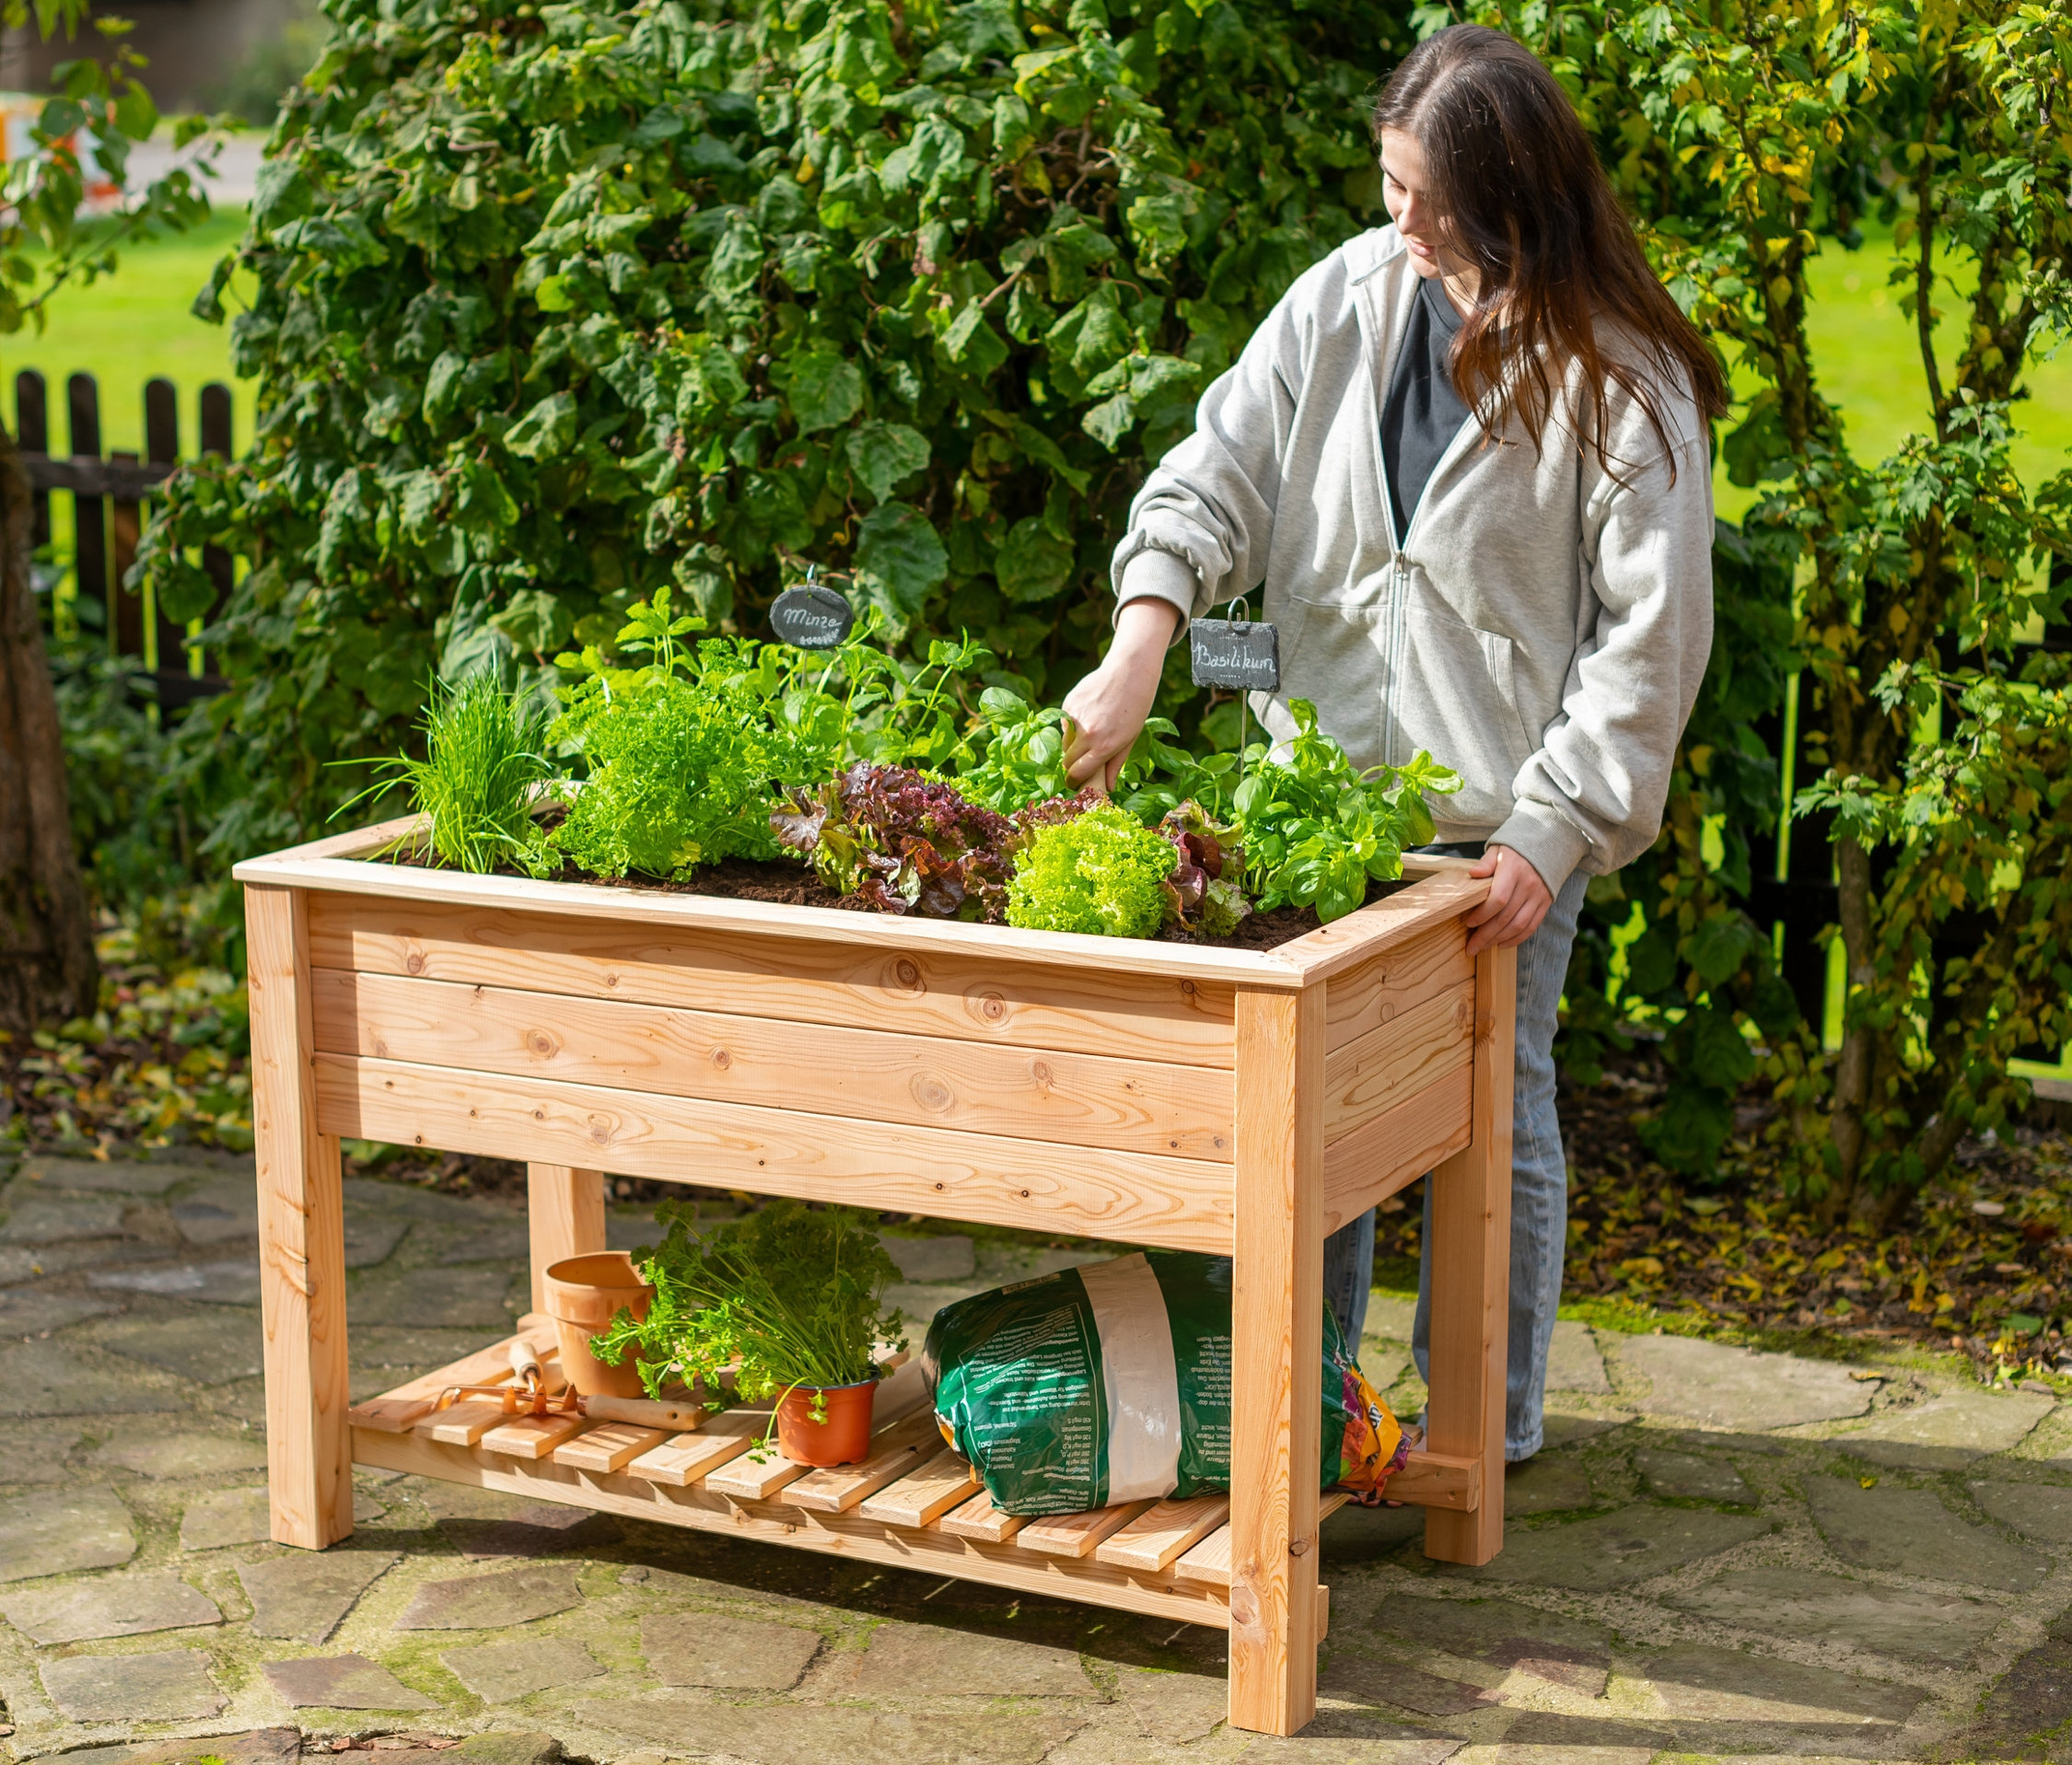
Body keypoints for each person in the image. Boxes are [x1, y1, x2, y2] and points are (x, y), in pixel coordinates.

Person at [1058, 23, 1725, 1464]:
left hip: (1494, 844)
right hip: (1320, 813)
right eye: (1390, 180)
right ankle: (1313, 1420)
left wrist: (1554, 830)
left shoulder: (1621, 386)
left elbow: (1645, 648)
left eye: (1425, 195)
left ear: (1510, 201)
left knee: (1496, 1118)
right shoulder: (1346, 302)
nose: (1398, 218)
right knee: (1319, 1131)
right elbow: (1216, 471)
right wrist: (1142, 634)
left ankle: (1483, 1428)